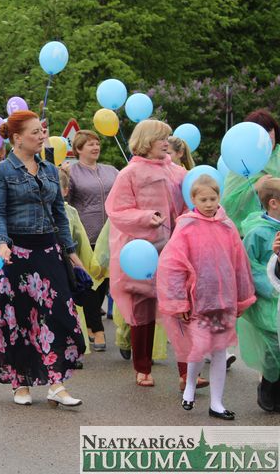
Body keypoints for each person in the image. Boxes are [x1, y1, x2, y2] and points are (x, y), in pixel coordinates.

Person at [0, 110, 85, 407]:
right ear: (17, 138)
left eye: (42, 131)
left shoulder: (50, 170)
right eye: (35, 132)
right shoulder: (0, 172)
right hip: (15, 255)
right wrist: (2, 244)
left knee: (58, 316)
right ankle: (20, 383)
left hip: (48, 251)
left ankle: (57, 384)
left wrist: (71, 252)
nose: (42, 136)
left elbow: (59, 215)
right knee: (18, 320)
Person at [157, 175, 255, 420]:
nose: (209, 204)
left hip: (223, 301)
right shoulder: (186, 226)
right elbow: (173, 265)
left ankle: (217, 403)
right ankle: (190, 387)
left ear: (219, 197)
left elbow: (239, 264)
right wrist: (180, 301)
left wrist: (242, 297)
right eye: (204, 200)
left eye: (213, 198)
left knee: (220, 349)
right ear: (193, 199)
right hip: (199, 300)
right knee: (199, 348)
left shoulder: (227, 226)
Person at [105, 119, 187, 387]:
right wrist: (145, 217)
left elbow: (190, 203)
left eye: (167, 137)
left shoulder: (177, 171)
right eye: (161, 138)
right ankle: (142, 368)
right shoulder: (129, 173)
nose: (166, 142)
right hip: (141, 252)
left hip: (174, 248)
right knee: (143, 310)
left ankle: (188, 372)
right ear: (146, 141)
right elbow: (117, 210)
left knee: (181, 308)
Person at [66, 130, 119, 351]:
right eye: (90, 144)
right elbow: (65, 204)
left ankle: (89, 324)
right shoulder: (71, 172)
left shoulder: (111, 171)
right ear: (78, 149)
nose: (96, 147)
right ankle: (98, 331)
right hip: (85, 237)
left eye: (97, 143)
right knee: (89, 284)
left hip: (109, 236)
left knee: (103, 282)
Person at [239, 178, 280, 411]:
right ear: (273, 203)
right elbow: (249, 267)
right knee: (273, 343)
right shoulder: (258, 233)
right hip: (268, 300)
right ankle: (267, 387)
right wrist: (271, 287)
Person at [223, 109, 280, 231]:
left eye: (269, 130)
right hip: (246, 234)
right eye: (261, 131)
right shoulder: (240, 160)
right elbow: (228, 205)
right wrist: (255, 187)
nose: (266, 136)